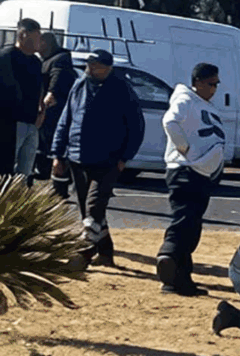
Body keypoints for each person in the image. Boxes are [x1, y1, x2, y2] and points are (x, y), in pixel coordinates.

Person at [51, 49, 145, 269]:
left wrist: (125, 158)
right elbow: (66, 120)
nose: (90, 68)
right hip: (77, 157)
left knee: (94, 207)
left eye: (95, 65)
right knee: (88, 210)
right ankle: (105, 252)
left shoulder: (121, 89)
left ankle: (82, 255)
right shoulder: (80, 85)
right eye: (89, 64)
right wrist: (58, 154)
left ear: (108, 68)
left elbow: (137, 126)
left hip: (108, 161)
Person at [156, 63, 227, 297]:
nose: (215, 88)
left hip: (200, 172)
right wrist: (184, 148)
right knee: (185, 219)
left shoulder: (203, 104)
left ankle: (180, 280)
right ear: (197, 82)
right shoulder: (185, 99)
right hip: (185, 169)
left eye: (217, 84)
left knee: (192, 224)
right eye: (210, 84)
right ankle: (168, 254)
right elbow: (170, 121)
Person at [35, 32, 76, 196]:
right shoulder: (47, 60)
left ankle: (60, 190)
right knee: (47, 152)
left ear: (45, 43)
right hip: (49, 115)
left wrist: (46, 102)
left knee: (56, 153)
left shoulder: (59, 60)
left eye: (39, 42)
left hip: (53, 115)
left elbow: (56, 83)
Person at [2, 18, 44, 179]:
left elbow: (39, 88)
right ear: (23, 35)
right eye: (37, 36)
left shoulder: (35, 62)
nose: (40, 41)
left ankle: (21, 200)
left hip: (32, 123)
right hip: (10, 124)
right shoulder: (6, 57)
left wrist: (42, 111)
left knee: (25, 172)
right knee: (6, 168)